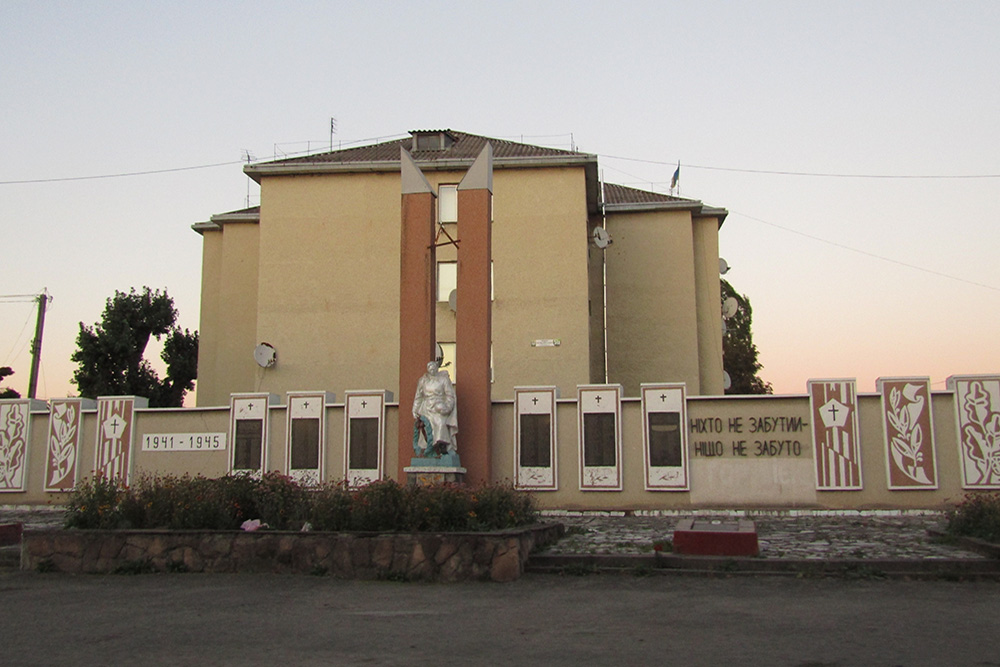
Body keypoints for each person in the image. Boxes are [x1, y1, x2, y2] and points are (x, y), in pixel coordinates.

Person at [412, 360, 458, 457]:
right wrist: (415, 409)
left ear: (437, 369)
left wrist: (447, 407)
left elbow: (450, 395)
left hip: (439, 407)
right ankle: (429, 450)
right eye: (430, 368)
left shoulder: (443, 380)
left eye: (434, 368)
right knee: (427, 427)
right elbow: (418, 396)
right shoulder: (423, 381)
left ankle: (443, 447)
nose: (432, 370)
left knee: (441, 423)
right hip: (426, 408)